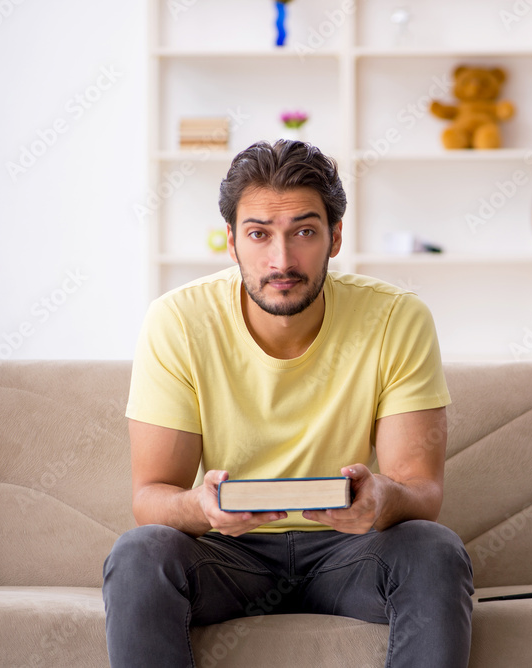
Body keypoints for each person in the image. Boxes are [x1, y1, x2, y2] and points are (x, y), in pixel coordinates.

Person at [102, 140, 474, 668]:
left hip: (351, 552)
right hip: (228, 555)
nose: (281, 260)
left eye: (303, 231)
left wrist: (380, 498)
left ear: (335, 237)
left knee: (433, 549)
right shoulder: (177, 322)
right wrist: (201, 507)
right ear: (231, 242)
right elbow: (151, 497)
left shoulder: (397, 318)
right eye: (259, 234)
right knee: (139, 555)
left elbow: (421, 491)